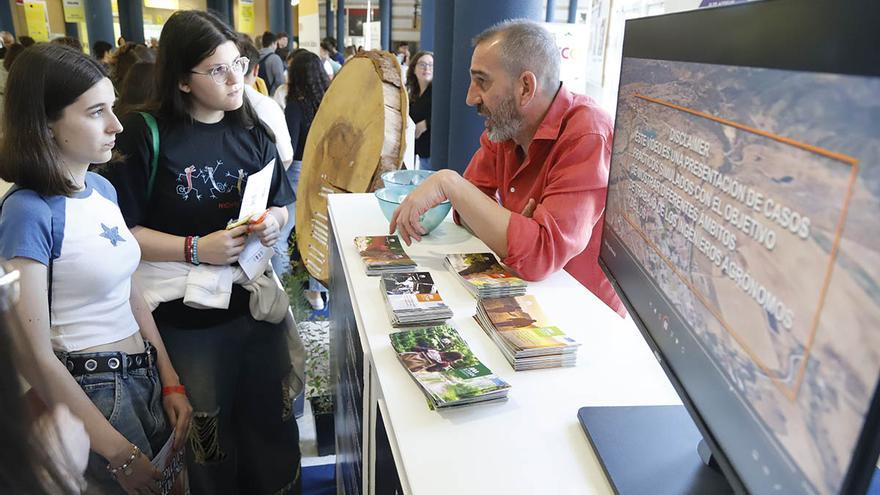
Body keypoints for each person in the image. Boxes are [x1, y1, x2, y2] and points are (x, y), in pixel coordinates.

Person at [104, 10, 301, 494]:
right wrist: (196, 249)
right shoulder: (145, 133)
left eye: (239, 62)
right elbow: (120, 230)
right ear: (183, 81)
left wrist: (274, 222)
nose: (236, 78)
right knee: (207, 435)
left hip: (255, 307)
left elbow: (284, 203)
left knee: (271, 421)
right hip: (186, 321)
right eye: (217, 70)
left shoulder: (252, 126)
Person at [0, 43, 193, 494]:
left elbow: (131, 293)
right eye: (96, 112)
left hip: (140, 375)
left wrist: (169, 380)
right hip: (90, 391)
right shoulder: (28, 211)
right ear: (46, 125)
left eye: (112, 107)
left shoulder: (101, 188)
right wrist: (118, 453)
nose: (117, 125)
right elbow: (34, 353)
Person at [390, 19, 626, 316]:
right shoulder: (506, 127)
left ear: (526, 87)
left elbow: (539, 255)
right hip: (528, 300)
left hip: (582, 316)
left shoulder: (587, 132)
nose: (470, 97)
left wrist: (449, 183)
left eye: (482, 81)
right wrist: (514, 227)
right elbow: (467, 213)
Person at [283, 50, 330, 310]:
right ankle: (318, 292)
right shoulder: (328, 100)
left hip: (298, 171)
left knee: (280, 233)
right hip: (324, 170)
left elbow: (288, 149)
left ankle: (282, 288)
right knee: (319, 232)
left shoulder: (295, 104)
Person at [406, 50, 433, 170]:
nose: (427, 68)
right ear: (414, 69)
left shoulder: (438, 92)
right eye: (422, 64)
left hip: (432, 152)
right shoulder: (413, 94)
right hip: (418, 152)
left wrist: (426, 123)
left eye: (431, 65)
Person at [258, 31, 285, 96]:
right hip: (271, 96)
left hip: (258, 94)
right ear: (273, 43)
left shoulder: (256, 56)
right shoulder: (275, 58)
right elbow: (280, 82)